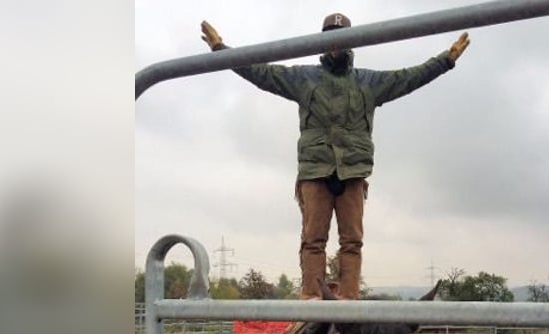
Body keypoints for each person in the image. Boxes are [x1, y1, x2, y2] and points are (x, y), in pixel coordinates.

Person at [200, 14, 470, 299]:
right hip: (315, 171)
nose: (336, 44)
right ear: (322, 41)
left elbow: (408, 78)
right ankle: (312, 302)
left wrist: (445, 60)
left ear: (352, 42)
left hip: (353, 172)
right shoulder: (303, 78)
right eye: (330, 36)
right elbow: (262, 72)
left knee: (352, 242)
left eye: (342, 37)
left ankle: (349, 300)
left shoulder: (368, 82)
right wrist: (222, 51)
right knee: (313, 240)